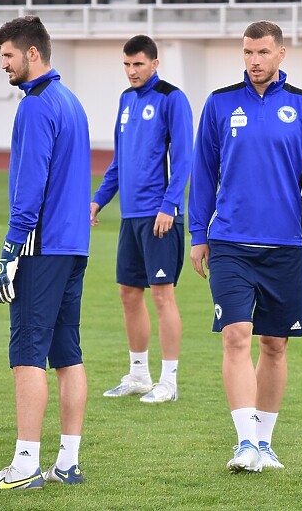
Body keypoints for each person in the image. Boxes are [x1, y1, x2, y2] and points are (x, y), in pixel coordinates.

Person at [189, 20, 302, 472]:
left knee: (274, 345)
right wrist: (198, 234)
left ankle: (264, 443)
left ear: (281, 54)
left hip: (283, 246)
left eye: (261, 53)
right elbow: (202, 173)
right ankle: (244, 443)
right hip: (230, 242)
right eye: (247, 53)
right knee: (236, 336)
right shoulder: (219, 104)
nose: (253, 61)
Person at [0, 16, 91, 490]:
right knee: (68, 354)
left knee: (27, 355)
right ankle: (68, 462)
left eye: (7, 56)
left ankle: (24, 467)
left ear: (32, 54)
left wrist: (9, 250)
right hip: (73, 246)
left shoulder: (37, 106)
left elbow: (30, 187)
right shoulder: (71, 102)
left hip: (41, 248)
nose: (4, 65)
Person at [91, 35, 193, 403]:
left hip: (159, 216)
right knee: (128, 293)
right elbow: (119, 162)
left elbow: (183, 160)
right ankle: (138, 375)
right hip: (131, 215)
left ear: (155, 63)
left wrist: (169, 206)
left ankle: (169, 381)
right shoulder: (125, 100)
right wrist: (98, 201)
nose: (132, 71)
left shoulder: (172, 98)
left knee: (163, 296)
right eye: (126, 65)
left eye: (138, 64)